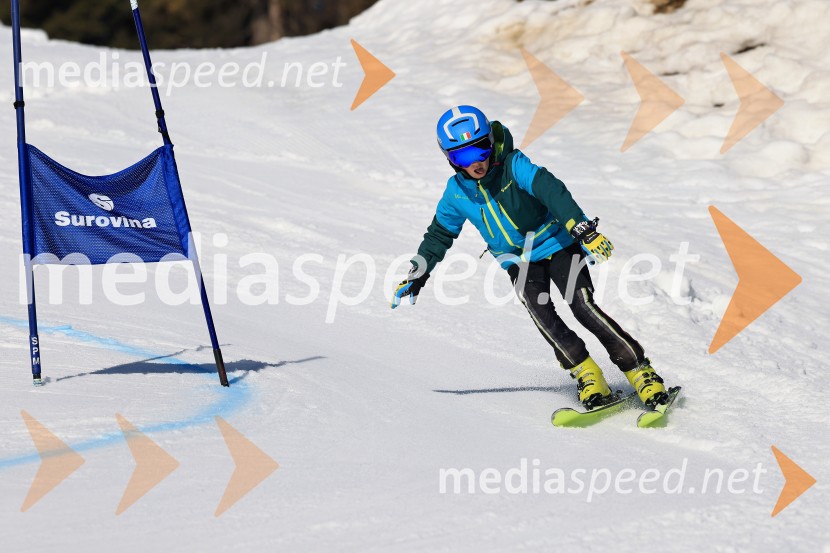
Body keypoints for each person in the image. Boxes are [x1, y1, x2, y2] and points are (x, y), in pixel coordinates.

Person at [391, 105, 669, 410]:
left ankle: (639, 370)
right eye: (463, 157)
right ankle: (587, 373)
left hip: (557, 244)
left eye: (480, 150)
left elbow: (551, 190)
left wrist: (581, 227)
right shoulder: (455, 193)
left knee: (582, 306)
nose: (476, 162)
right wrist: (418, 274)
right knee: (541, 313)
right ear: (449, 158)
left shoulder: (513, 165)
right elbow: (438, 235)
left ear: (491, 143)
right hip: (517, 260)